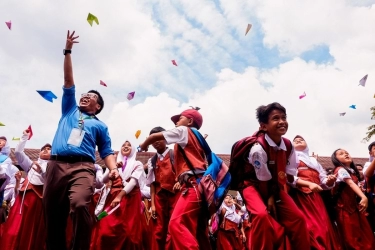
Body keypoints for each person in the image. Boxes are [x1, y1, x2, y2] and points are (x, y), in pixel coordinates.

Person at [43, 30, 118, 250]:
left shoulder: (100, 125)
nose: (85, 97)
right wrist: (67, 51)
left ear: (98, 107)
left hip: (83, 168)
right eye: (84, 94)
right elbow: (68, 81)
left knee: (78, 205)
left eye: (92, 97)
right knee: (52, 215)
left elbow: (106, 151)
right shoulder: (69, 110)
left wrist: (113, 169)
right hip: (55, 166)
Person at [237, 102, 310, 249]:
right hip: (252, 185)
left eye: (284, 117)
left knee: (298, 218)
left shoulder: (288, 146)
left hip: (274, 187)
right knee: (261, 216)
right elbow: (262, 179)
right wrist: (270, 198)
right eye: (276, 118)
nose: (282, 121)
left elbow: (288, 174)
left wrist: (275, 195)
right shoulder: (258, 149)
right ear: (263, 126)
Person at [139, 108, 211, 250]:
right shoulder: (197, 137)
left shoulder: (184, 131)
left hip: (190, 186)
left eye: (180, 118)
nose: (177, 122)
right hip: (199, 186)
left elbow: (154, 137)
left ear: (189, 121)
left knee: (177, 224)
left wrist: (143, 145)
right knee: (196, 230)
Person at [1, 130, 51, 250]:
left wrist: (42, 171)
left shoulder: (54, 166)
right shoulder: (31, 164)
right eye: (43, 148)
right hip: (22, 200)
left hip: (37, 202)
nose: (45, 149)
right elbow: (18, 152)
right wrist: (24, 136)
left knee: (31, 230)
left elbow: (51, 180)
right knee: (14, 228)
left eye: (49, 148)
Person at [91, 140, 144, 250]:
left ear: (133, 149)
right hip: (111, 198)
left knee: (127, 233)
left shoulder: (137, 164)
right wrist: (114, 168)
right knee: (105, 228)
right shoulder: (113, 162)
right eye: (123, 145)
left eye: (129, 145)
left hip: (129, 201)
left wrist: (119, 196)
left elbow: (133, 183)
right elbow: (103, 180)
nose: (125, 146)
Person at [292, 135, 341, 250]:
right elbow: (290, 178)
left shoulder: (313, 161)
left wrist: (330, 181)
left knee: (324, 226)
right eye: (295, 140)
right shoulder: (290, 158)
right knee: (311, 227)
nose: (298, 140)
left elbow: (323, 180)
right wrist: (308, 184)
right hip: (301, 196)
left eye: (301, 139)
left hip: (317, 197)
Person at [331, 148, 375, 249]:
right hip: (344, 210)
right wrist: (363, 197)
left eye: (347, 153)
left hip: (354, 209)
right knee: (351, 238)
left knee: (365, 236)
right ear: (335, 159)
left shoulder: (352, 172)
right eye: (341, 154)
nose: (346, 154)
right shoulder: (340, 170)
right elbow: (350, 183)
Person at [146, 126, 180, 250]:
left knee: (174, 226)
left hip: (175, 195)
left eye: (158, 138)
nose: (156, 142)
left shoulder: (175, 154)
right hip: (160, 198)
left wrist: (179, 181)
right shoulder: (152, 161)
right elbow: (152, 184)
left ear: (166, 138)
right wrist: (153, 205)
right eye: (153, 140)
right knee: (158, 229)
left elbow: (183, 172)